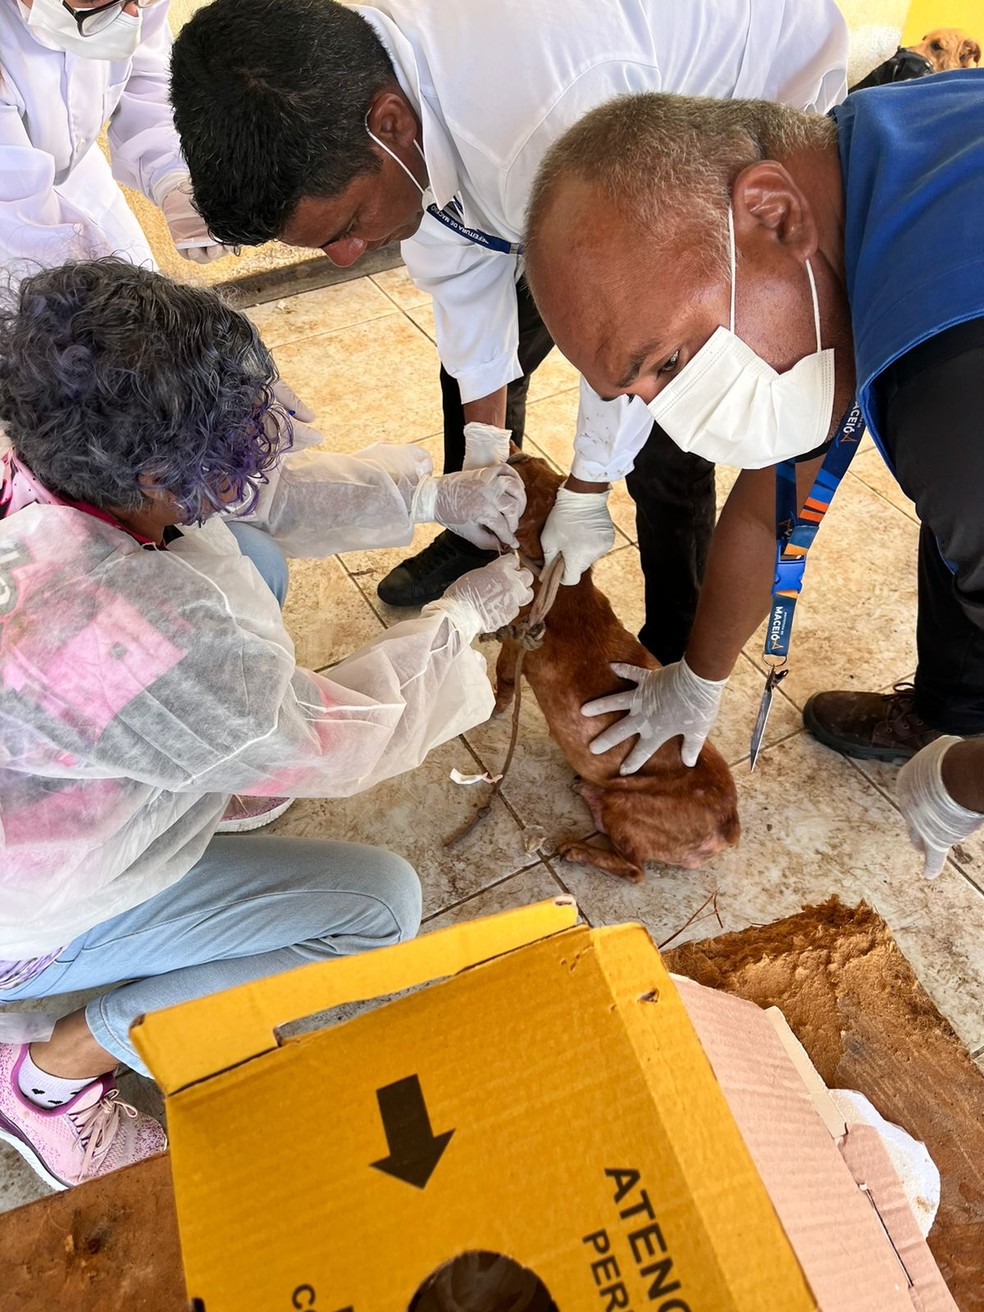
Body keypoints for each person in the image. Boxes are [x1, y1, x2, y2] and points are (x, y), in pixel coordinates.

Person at [0, 257, 532, 1190]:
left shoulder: (49, 451)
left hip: (36, 777)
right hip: (26, 904)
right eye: (213, 455)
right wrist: (457, 623)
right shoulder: (135, 633)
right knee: (380, 906)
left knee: (247, 556)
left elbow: (249, 499)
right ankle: (48, 1078)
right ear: (151, 473)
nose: (239, 471)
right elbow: (328, 738)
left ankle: (208, 787)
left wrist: (429, 497)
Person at [169, 0, 849, 666]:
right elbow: (461, 266)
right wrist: (485, 453)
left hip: (741, 115)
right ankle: (477, 535)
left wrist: (589, 486)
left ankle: (676, 642)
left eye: (347, 226)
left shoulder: (547, 110)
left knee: (669, 410)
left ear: (391, 123)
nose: (346, 258)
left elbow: (633, 331)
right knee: (480, 374)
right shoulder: (366, 101)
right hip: (555, 164)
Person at [521, 74, 984, 789]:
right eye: (636, 394)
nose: (680, 425)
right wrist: (696, 680)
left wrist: (961, 786)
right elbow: (774, 505)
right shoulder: (865, 158)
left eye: (669, 363)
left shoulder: (952, 393)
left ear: (772, 214)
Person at [0, 0, 231, 282]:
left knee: (137, 275)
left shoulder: (127, 5)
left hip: (70, 165)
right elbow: (17, 217)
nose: (131, 15)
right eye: (93, 2)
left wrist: (171, 176)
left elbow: (145, 74)